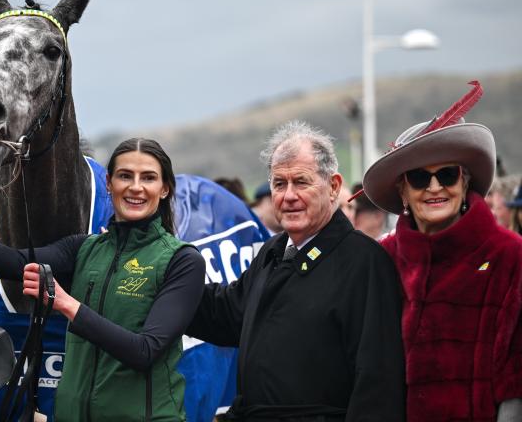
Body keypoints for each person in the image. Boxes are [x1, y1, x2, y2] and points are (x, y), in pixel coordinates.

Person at [0, 138, 205, 421]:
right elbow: (20, 262)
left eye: (148, 178)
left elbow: (145, 351)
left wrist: (66, 304)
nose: (135, 186)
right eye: (124, 176)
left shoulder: (182, 261)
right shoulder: (85, 248)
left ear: (165, 188)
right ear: (109, 183)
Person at [187, 120, 405, 420]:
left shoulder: (365, 262)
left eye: (301, 182)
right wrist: (165, 278)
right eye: (279, 184)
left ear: (333, 187)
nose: (288, 195)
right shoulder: (272, 252)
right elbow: (229, 312)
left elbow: (378, 384)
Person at [362, 81, 522, 421]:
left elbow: (516, 382)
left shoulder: (510, 256)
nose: (435, 188)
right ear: (403, 192)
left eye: (447, 175)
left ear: (464, 183)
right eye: (420, 178)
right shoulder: (382, 259)